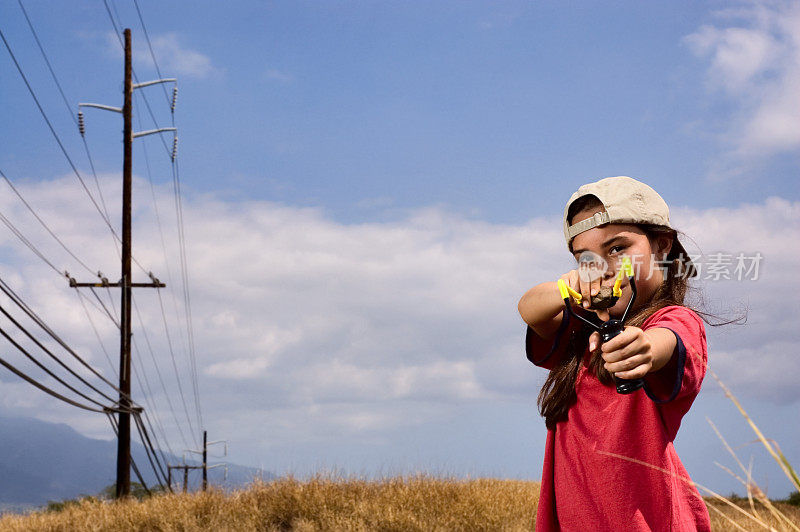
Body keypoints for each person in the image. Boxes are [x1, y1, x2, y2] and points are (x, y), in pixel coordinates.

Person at [518, 176, 712, 531]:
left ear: (662, 245)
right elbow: (530, 308)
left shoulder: (672, 320)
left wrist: (644, 349)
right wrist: (567, 287)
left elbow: (668, 342)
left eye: (618, 248)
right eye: (586, 259)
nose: (603, 267)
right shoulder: (577, 332)